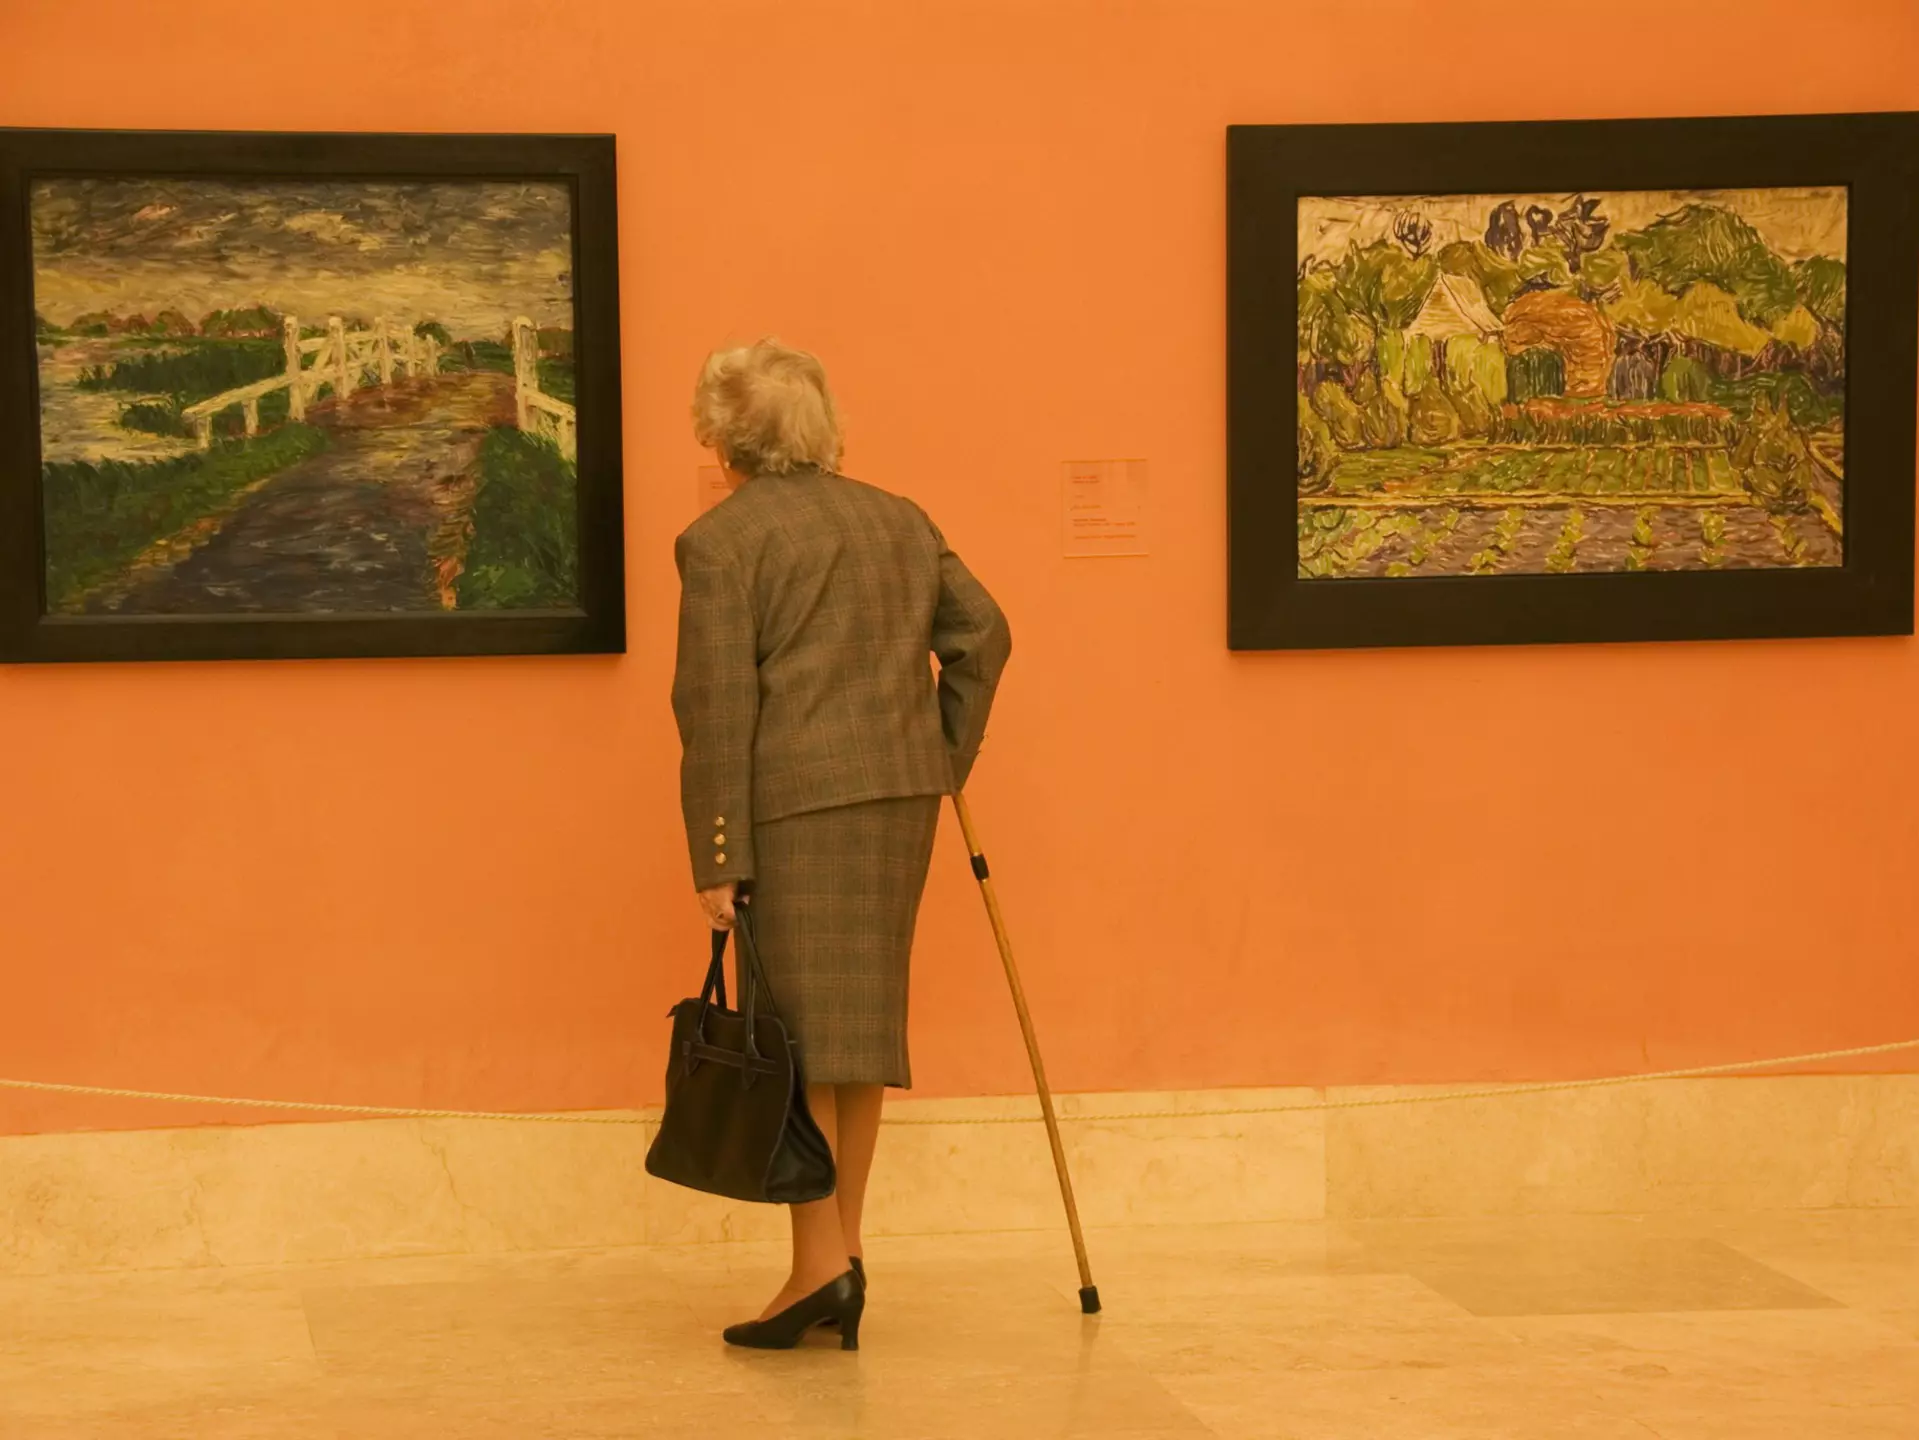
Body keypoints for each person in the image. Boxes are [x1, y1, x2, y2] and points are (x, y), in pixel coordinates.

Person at [671, 339, 1011, 1350]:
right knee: (851, 1038)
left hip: (791, 811)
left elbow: (714, 706)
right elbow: (983, 635)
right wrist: (937, 757)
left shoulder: (721, 541)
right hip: (897, 802)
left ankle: (819, 1267)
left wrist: (717, 851)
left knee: (798, 1041)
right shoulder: (897, 520)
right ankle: (838, 1257)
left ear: (723, 438)